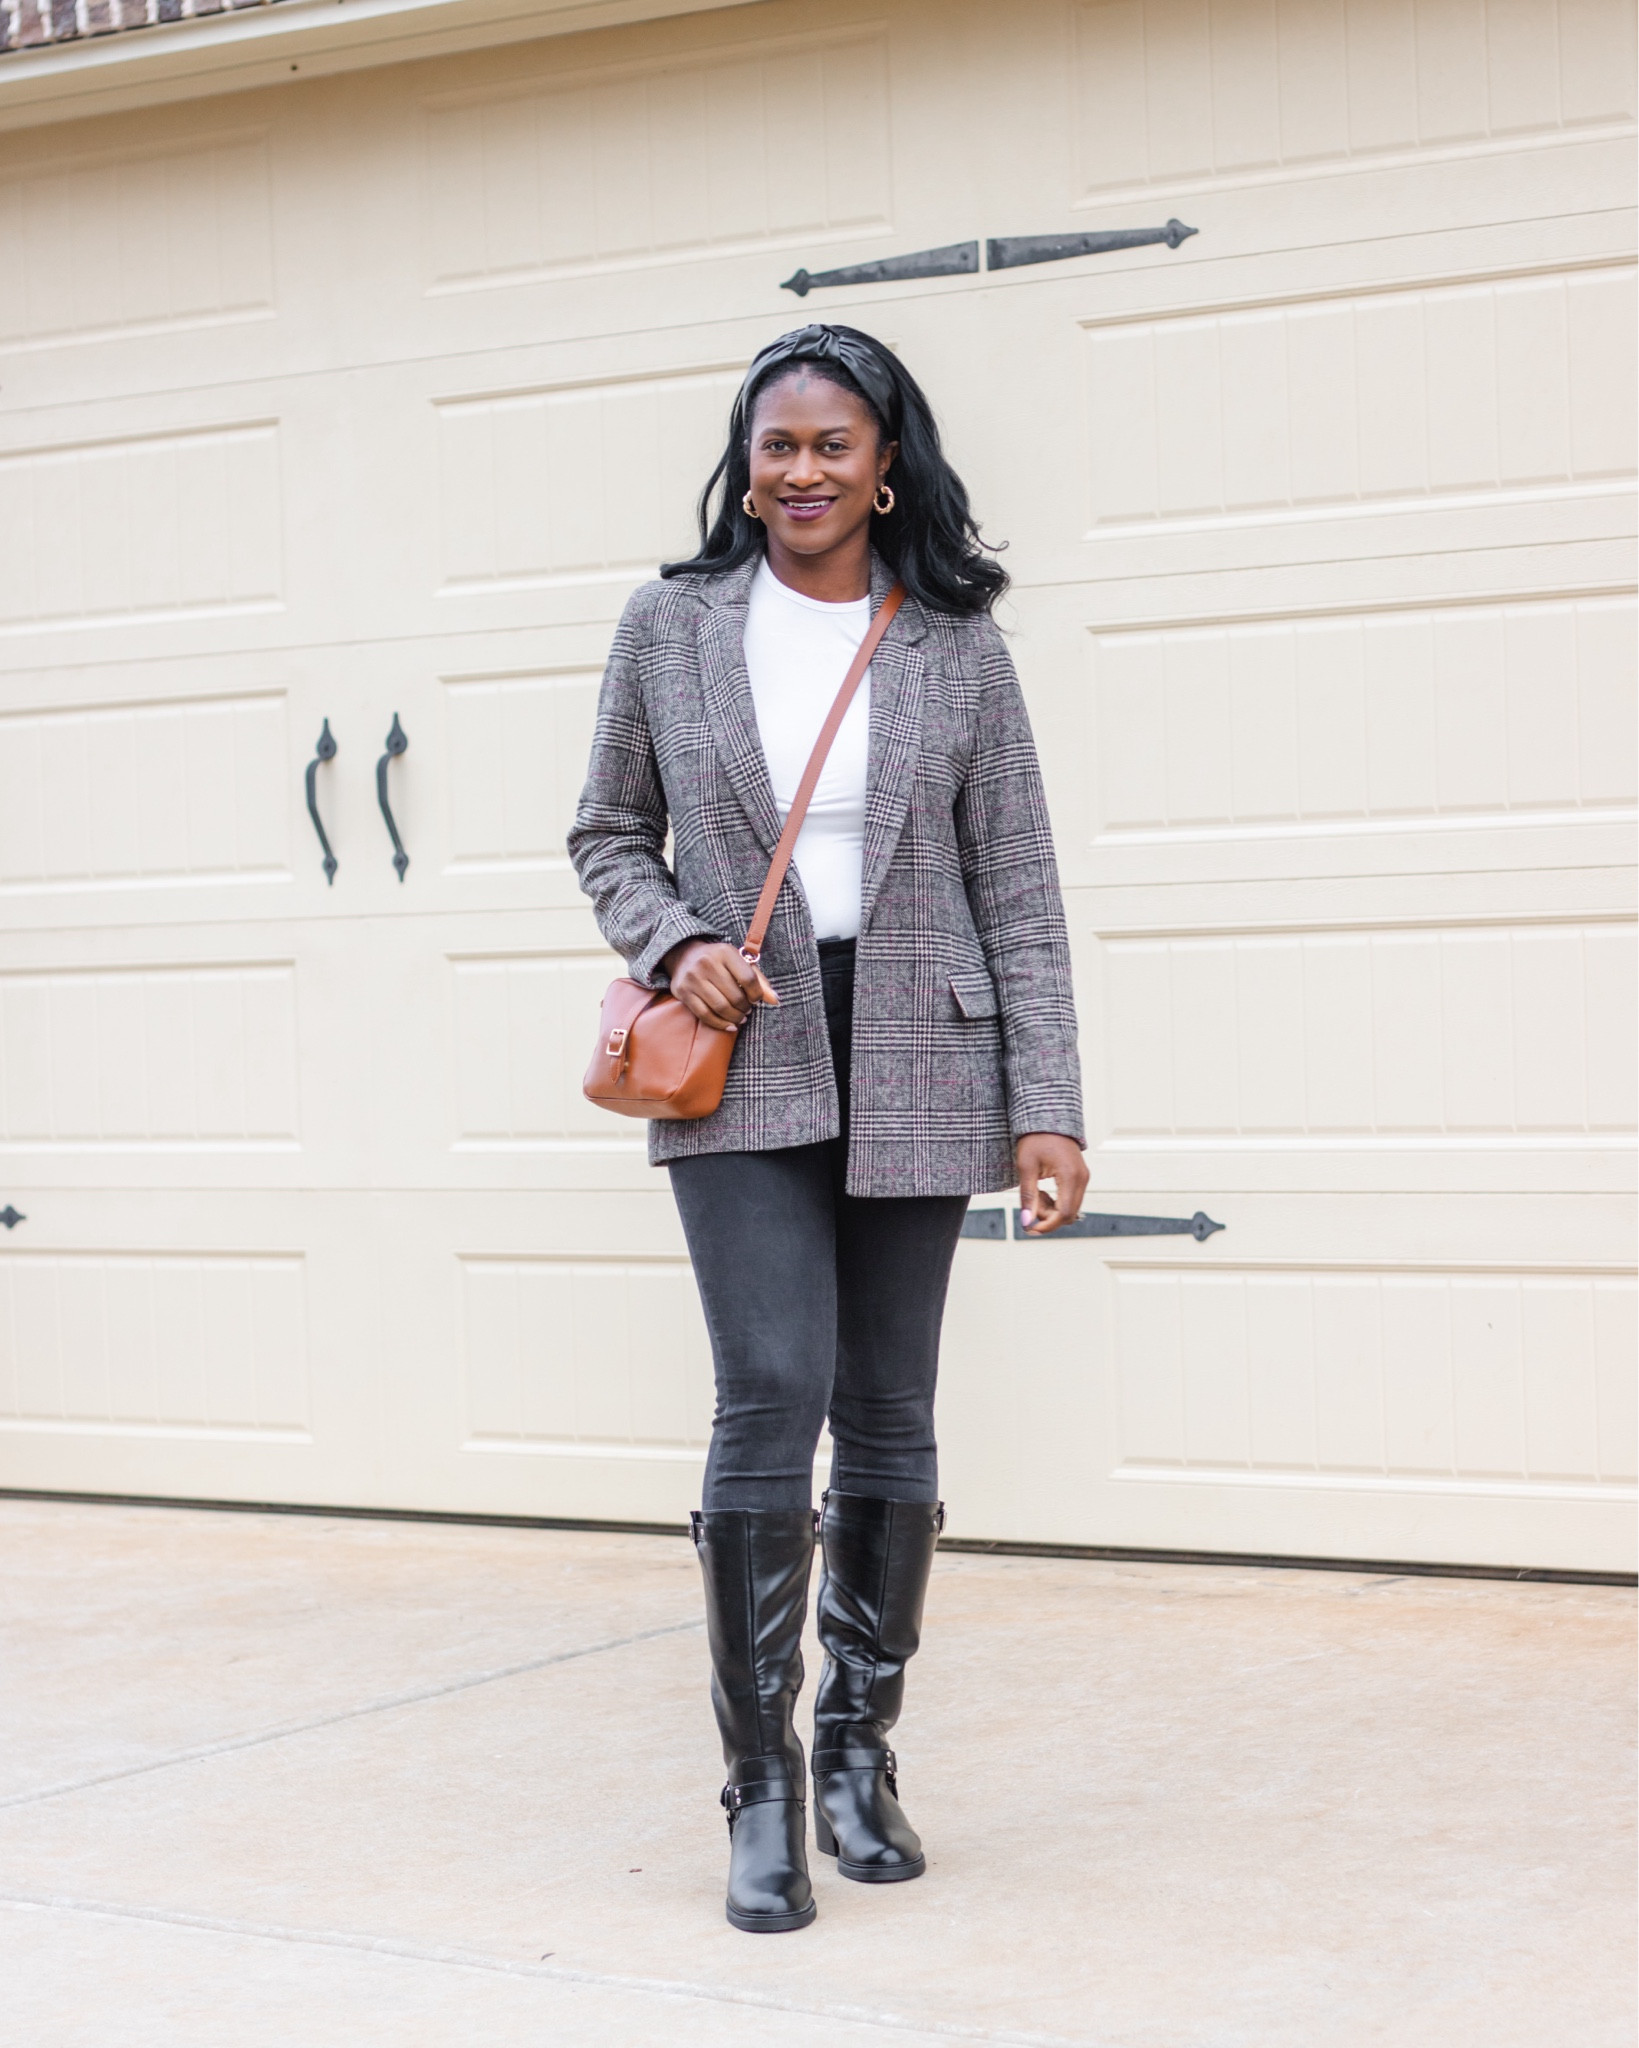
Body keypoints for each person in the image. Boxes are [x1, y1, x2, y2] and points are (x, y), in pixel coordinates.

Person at [569, 323, 1087, 1933]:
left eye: (831, 445)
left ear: (885, 465)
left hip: (927, 1041)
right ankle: (762, 1787)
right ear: (747, 464)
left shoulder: (955, 646)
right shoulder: (671, 625)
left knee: (890, 1409)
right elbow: (605, 828)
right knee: (768, 1394)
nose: (799, 471)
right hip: (750, 1049)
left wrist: (1049, 1112)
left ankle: (862, 1751)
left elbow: (1018, 883)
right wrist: (675, 942)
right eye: (774, 445)